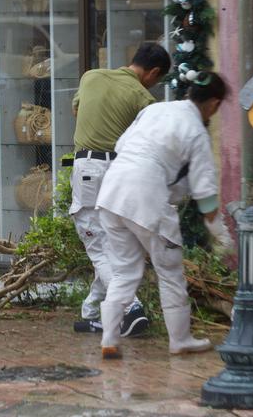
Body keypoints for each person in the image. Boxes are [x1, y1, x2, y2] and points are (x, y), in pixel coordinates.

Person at [95, 72, 234, 359]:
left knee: (123, 270)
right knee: (170, 271)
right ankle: (180, 339)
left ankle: (109, 338)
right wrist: (220, 233)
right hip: (146, 196)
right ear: (214, 104)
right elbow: (205, 192)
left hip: (111, 191)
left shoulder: (154, 109)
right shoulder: (196, 130)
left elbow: (122, 146)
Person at [69, 43, 171, 336]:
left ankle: (130, 307)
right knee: (112, 243)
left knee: (98, 244)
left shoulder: (91, 77)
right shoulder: (144, 98)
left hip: (89, 169)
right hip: (123, 173)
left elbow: (77, 111)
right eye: (158, 79)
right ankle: (94, 312)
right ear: (152, 73)